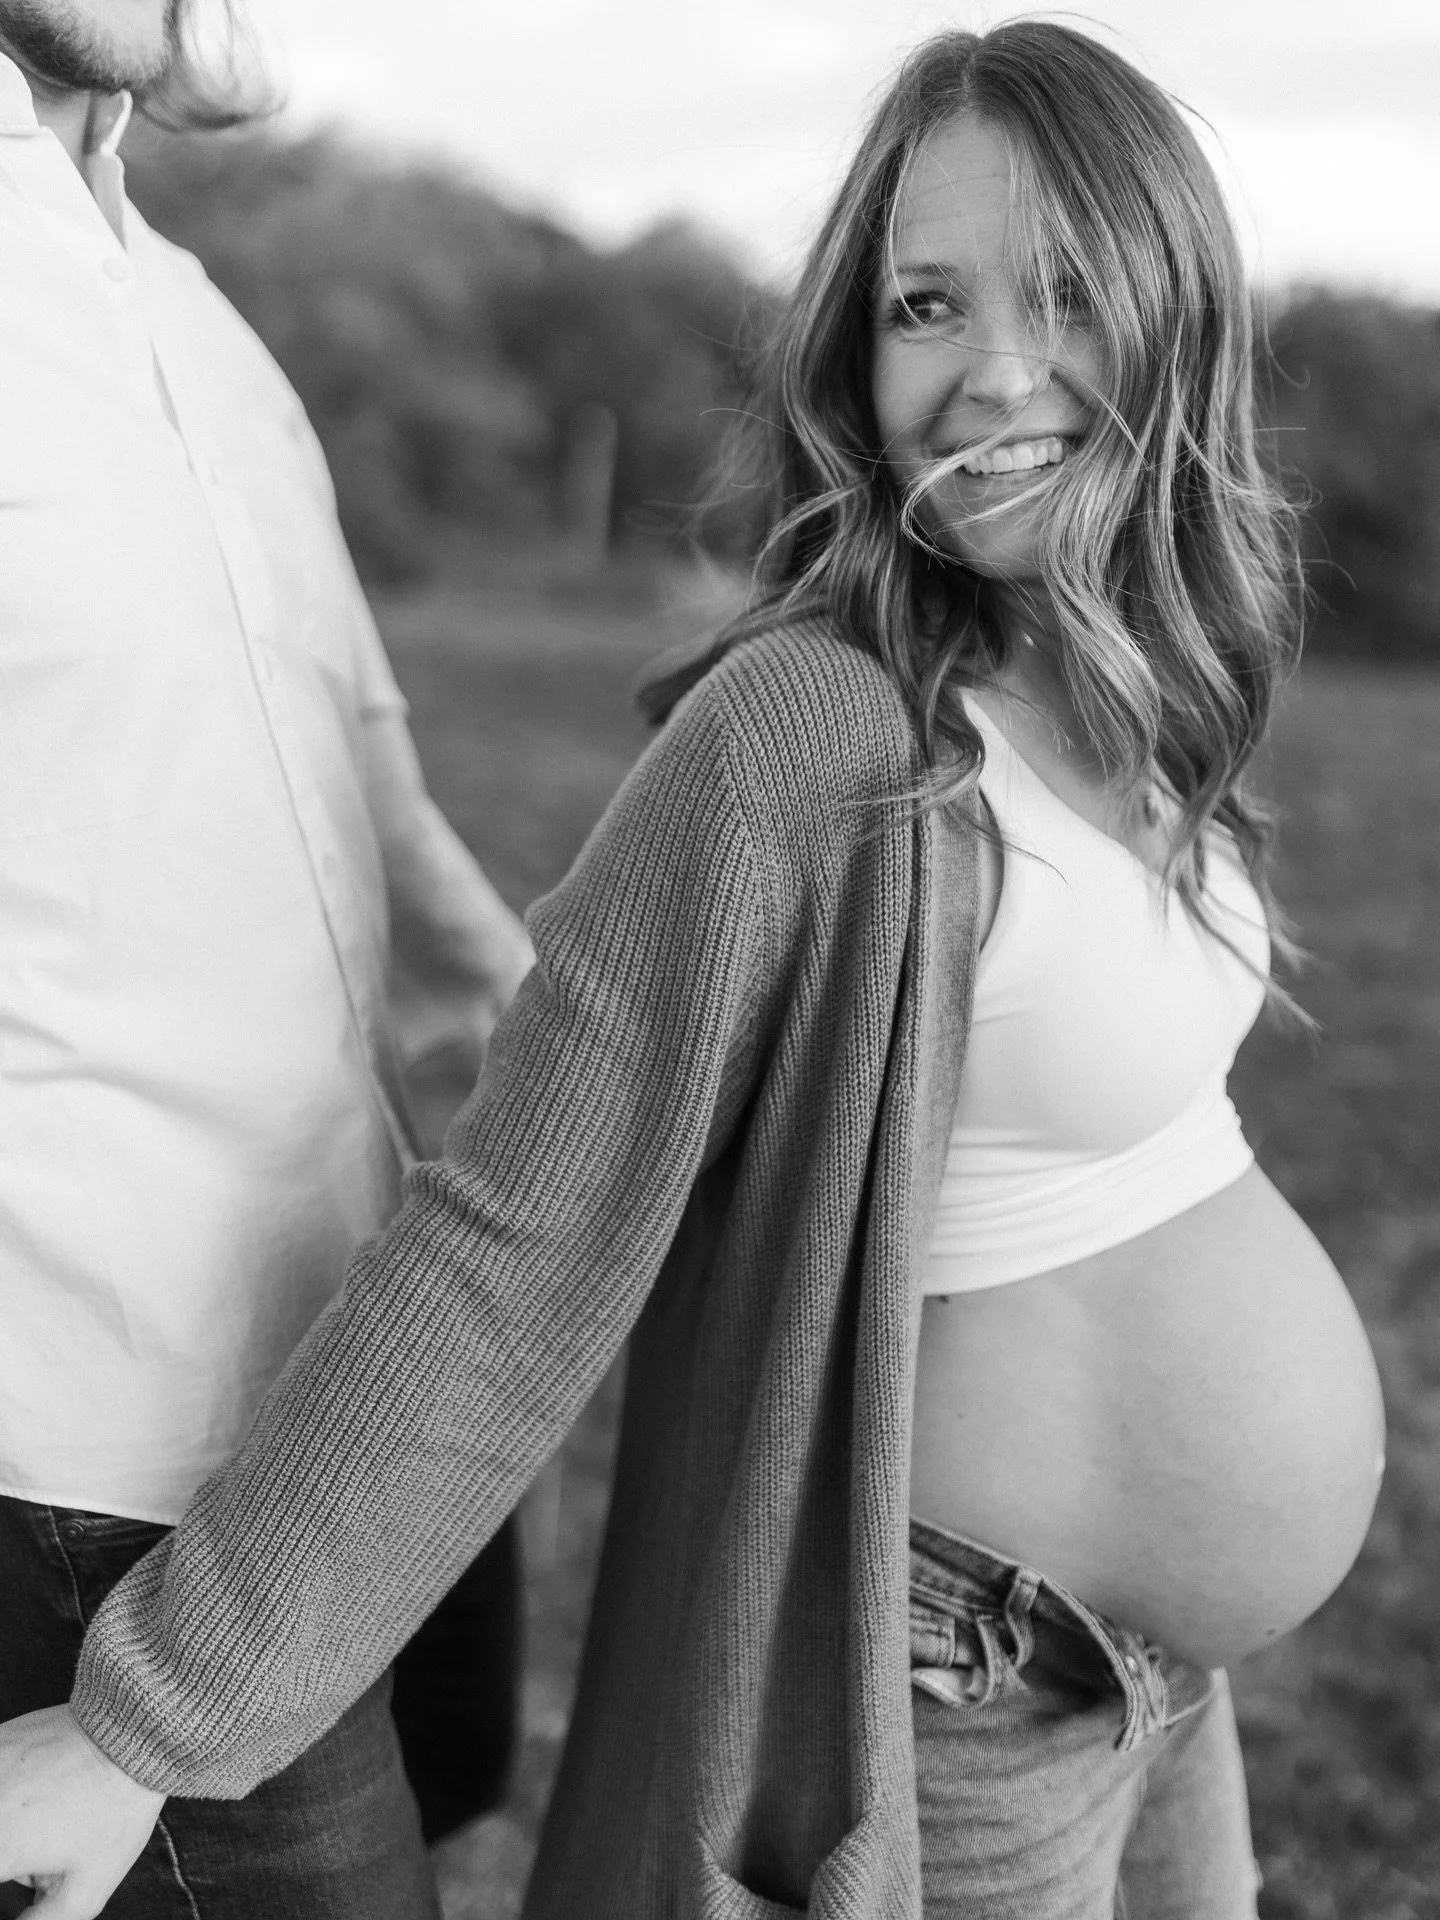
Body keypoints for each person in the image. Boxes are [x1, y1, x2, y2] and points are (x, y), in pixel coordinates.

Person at [0, 21, 1388, 1919]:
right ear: (854, 360)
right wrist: (149, 1728)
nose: (992, 369)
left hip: (1158, 1692)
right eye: (923, 304)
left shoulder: (1126, 679)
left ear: (1181, 308)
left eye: (1065, 290)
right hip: (949, 1690)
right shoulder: (817, 736)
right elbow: (518, 1243)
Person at [0, 0, 533, 1913]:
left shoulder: (200, 321)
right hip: (90, 1458)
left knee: (451, 1801)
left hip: (367, 1348)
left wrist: (598, 1069)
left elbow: (351, 764)